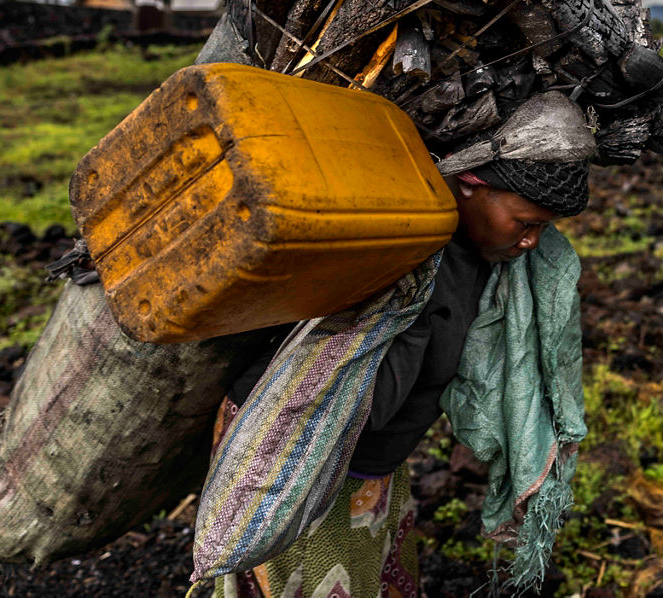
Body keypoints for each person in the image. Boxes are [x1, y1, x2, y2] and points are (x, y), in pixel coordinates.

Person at [214, 155, 591, 598]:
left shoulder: (477, 256)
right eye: (526, 222)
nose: (532, 242)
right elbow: (359, 403)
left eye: (543, 227)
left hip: (368, 467)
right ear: (468, 184)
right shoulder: (411, 259)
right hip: (300, 462)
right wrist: (415, 322)